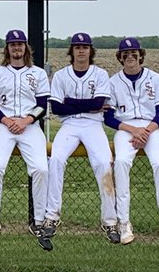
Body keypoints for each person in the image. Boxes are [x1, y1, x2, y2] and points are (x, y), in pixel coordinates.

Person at [40, 33, 116, 251]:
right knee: (56, 160)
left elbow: (99, 103)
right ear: (71, 51)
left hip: (94, 124)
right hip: (69, 125)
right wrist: (87, 105)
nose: (81, 50)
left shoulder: (100, 74)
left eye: (85, 47)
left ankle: (110, 221)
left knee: (103, 163)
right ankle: (52, 216)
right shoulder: (62, 75)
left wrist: (71, 101)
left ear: (90, 51)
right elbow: (57, 108)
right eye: (77, 47)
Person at [105, 37, 159, 247]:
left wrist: (145, 131)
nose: (130, 57)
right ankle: (124, 222)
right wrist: (133, 130)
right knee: (121, 164)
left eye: (134, 53)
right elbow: (109, 117)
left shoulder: (154, 78)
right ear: (120, 57)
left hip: (150, 128)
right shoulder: (113, 82)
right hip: (125, 127)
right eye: (126, 54)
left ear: (141, 55)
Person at [0, 29, 49, 248]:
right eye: (13, 44)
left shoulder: (37, 73)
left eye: (20, 44)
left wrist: (26, 120)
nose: (17, 47)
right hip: (3, 124)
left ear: (25, 47)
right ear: (7, 48)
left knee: (41, 169)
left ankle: (39, 223)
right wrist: (8, 121)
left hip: (29, 125)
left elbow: (43, 105)